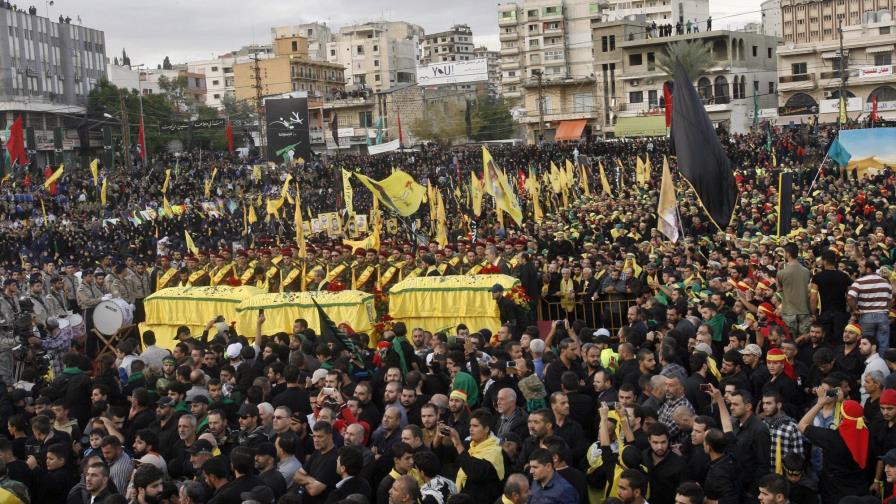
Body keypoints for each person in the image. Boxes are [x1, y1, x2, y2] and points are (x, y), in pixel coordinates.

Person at [798, 389, 870, 504]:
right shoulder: (868, 434)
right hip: (861, 490)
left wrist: (819, 403)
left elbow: (802, 425)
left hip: (835, 492)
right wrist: (843, 402)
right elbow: (853, 415)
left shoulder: (831, 438)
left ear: (841, 416)